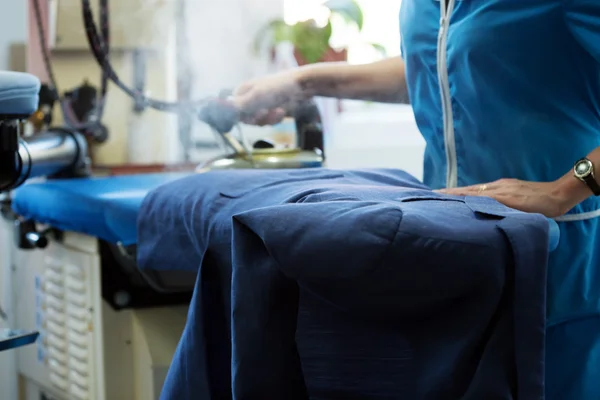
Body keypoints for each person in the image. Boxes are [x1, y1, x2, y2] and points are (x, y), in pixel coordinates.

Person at [231, 1, 600, 399]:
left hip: (561, 257)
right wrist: (302, 82)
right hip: (456, 249)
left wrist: (563, 190)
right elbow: (435, 69)